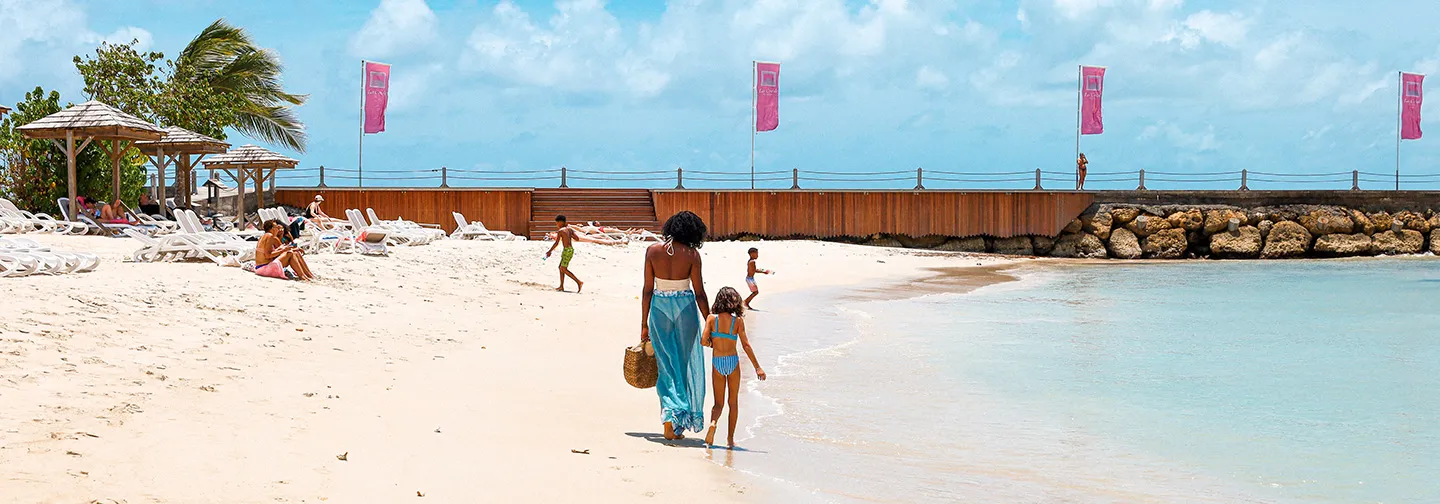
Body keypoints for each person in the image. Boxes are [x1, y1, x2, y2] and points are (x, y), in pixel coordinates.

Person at [641, 210, 710, 440]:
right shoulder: (692, 255)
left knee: (665, 365)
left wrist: (643, 324)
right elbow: (700, 293)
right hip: (685, 308)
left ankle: (670, 421)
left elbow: (647, 290)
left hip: (659, 307)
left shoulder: (652, 251)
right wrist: (709, 321)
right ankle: (679, 417)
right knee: (683, 363)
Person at [701, 287, 765, 448]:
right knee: (733, 402)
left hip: (717, 362)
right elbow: (746, 345)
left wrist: (712, 344)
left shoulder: (711, 319)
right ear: (734, 302)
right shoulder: (737, 322)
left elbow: (703, 340)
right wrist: (757, 367)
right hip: (732, 362)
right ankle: (730, 439)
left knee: (718, 403)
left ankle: (713, 423)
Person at [545, 215, 584, 292]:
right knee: (560, 268)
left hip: (567, 250)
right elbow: (577, 239)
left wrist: (549, 251)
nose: (557, 225)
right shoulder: (569, 229)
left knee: (563, 268)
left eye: (557, 223)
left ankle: (579, 282)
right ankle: (561, 286)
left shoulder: (560, 231)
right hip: (570, 249)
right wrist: (570, 234)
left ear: (560, 222)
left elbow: (556, 243)